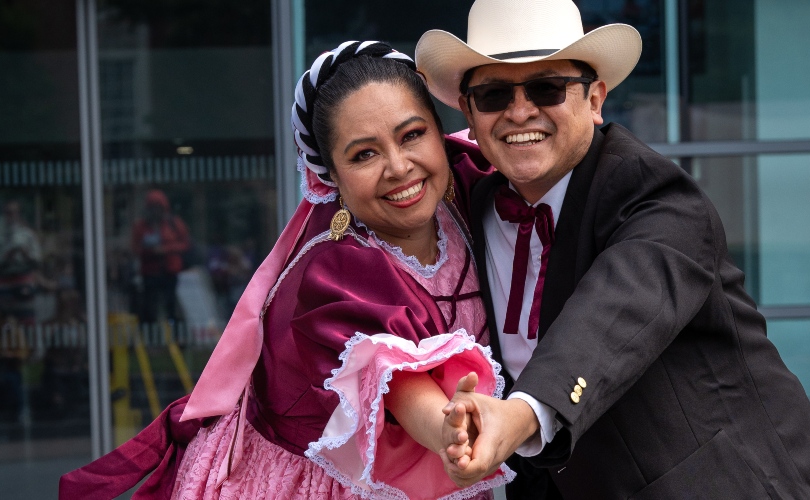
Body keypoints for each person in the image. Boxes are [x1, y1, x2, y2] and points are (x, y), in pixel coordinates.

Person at [416, 1, 810, 498]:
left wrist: (519, 413)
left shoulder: (654, 191)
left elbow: (618, 308)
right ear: (469, 113)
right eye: (493, 94)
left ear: (595, 99)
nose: (520, 111)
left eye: (547, 88)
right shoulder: (474, 205)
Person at [59, 41, 512, 500]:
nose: (399, 167)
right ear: (329, 176)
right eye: (363, 155)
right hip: (326, 481)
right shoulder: (337, 269)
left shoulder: (470, 189)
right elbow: (396, 382)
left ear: (441, 132)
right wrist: (449, 430)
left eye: (412, 134)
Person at [130, 189, 191, 325]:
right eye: (152, 208)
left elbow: (185, 244)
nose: (155, 212)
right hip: (150, 273)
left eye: (158, 208)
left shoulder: (173, 224)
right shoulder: (141, 226)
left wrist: (165, 250)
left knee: (172, 307)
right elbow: (135, 248)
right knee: (149, 308)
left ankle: (177, 339)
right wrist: (149, 251)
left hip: (170, 272)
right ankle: (151, 339)